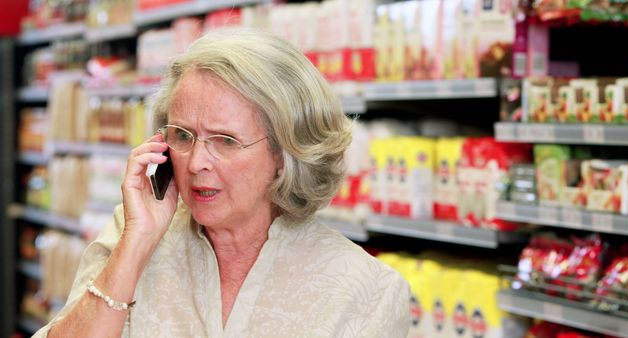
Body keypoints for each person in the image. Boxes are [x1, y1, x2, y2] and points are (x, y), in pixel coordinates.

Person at [34, 29, 410, 338]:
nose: (197, 163)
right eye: (182, 136)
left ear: (285, 153)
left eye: (225, 141)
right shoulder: (130, 235)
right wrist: (135, 245)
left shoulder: (367, 289)